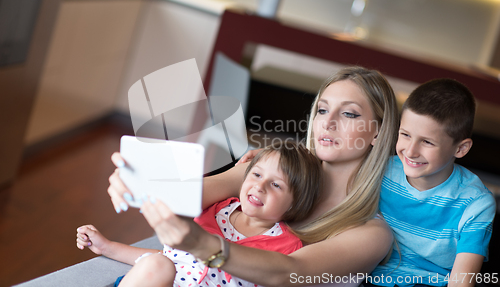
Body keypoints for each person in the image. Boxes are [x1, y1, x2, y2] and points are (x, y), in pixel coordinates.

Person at [107, 66, 401, 287]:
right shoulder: (276, 167)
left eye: (349, 114)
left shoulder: (371, 234)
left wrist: (204, 245)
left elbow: (287, 273)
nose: (328, 123)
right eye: (322, 110)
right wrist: (139, 182)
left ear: (378, 130)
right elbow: (186, 195)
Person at [77, 142, 323, 287]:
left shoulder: (288, 247)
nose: (260, 186)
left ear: (294, 204)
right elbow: (170, 259)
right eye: (256, 174)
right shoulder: (213, 210)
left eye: (276, 185)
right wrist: (108, 248)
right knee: (159, 264)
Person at [366, 79, 496, 287]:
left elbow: (461, 282)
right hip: (365, 277)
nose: (410, 151)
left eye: (427, 142)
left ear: (460, 149)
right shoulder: (380, 170)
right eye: (405, 135)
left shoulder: (476, 204)